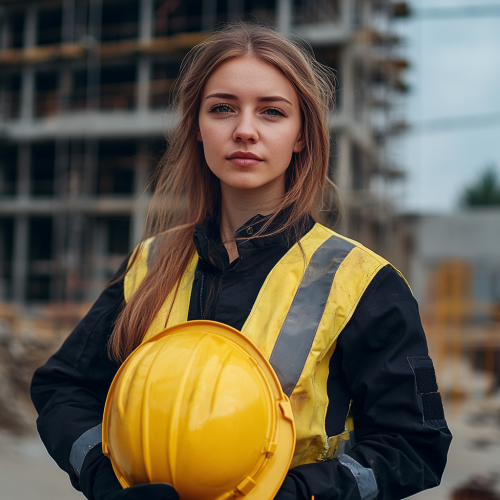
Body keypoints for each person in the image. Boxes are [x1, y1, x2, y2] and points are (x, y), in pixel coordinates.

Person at [31, 23, 451, 500]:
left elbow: (415, 446)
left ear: (300, 136)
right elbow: (61, 389)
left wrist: (292, 494)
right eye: (222, 109)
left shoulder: (362, 282)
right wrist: (106, 480)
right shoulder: (150, 264)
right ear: (197, 128)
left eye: (271, 112)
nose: (244, 130)